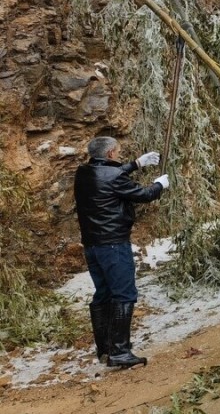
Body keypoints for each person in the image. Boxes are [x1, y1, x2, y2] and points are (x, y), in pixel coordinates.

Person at [74, 137, 169, 368]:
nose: (119, 155)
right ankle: (120, 352)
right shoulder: (114, 177)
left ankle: (105, 349)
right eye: (117, 152)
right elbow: (144, 195)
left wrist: (137, 163)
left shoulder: (83, 173)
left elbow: (108, 175)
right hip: (114, 245)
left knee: (103, 294)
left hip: (92, 246)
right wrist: (160, 185)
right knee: (124, 294)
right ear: (109, 155)